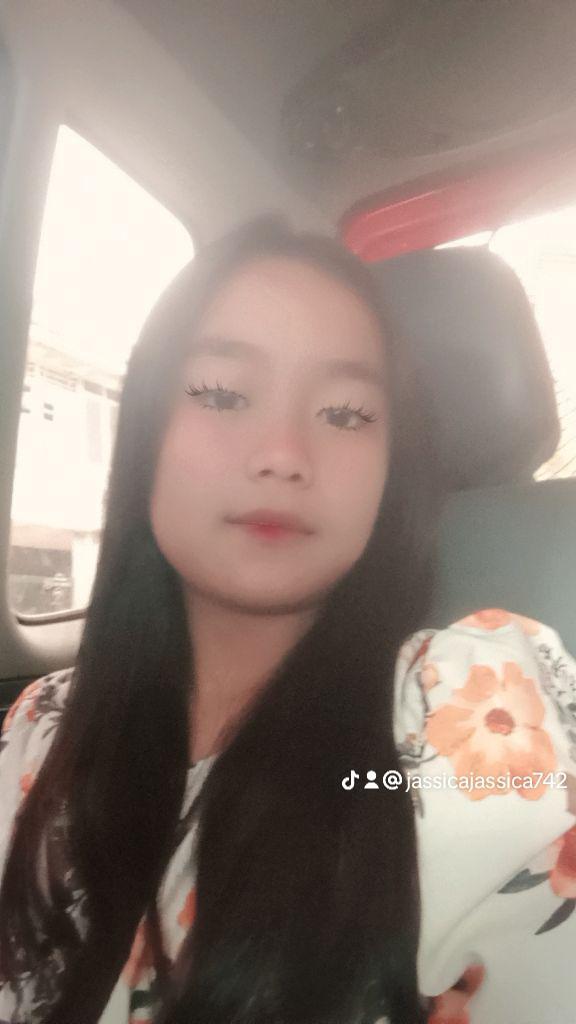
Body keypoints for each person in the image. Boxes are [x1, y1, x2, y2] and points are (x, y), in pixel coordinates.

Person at [0, 217, 575, 1024]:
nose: (282, 453)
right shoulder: (37, 728)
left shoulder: (474, 714)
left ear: (391, 466)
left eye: (344, 412)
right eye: (222, 394)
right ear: (145, 436)